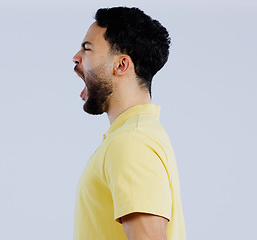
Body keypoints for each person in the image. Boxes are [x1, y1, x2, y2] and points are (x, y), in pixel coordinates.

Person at [72, 7, 186, 240]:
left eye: (87, 49)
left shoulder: (130, 143)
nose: (76, 57)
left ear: (121, 65)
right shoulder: (135, 135)